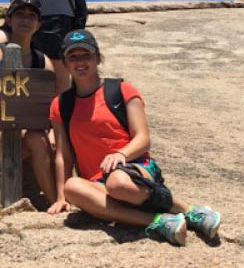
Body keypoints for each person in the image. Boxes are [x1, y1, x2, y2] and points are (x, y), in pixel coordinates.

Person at [48, 30, 222, 246]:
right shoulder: (61, 104)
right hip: (97, 184)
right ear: (65, 63)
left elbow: (143, 139)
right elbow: (63, 155)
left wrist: (121, 154)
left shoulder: (121, 90)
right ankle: (159, 221)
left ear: (98, 58)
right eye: (73, 57)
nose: (80, 62)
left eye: (86, 55)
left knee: (118, 183)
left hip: (135, 168)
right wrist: (61, 198)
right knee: (72, 186)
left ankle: (189, 211)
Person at [0, 0, 65, 213]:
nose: (26, 20)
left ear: (39, 24)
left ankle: (55, 202)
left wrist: (51, 132)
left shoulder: (43, 62)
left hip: (28, 134)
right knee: (34, 136)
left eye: (32, 16)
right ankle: (53, 200)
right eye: (20, 14)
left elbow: (47, 105)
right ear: (9, 20)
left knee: (38, 138)